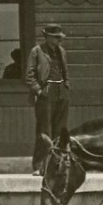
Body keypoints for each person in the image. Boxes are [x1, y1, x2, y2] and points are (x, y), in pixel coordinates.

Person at [24, 24, 70, 175]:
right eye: (57, 37)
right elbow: (29, 75)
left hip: (61, 92)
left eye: (60, 37)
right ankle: (39, 166)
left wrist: (66, 85)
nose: (59, 40)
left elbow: (65, 72)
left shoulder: (61, 51)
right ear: (48, 37)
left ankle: (55, 165)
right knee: (45, 131)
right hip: (46, 92)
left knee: (59, 131)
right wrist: (39, 91)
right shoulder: (37, 51)